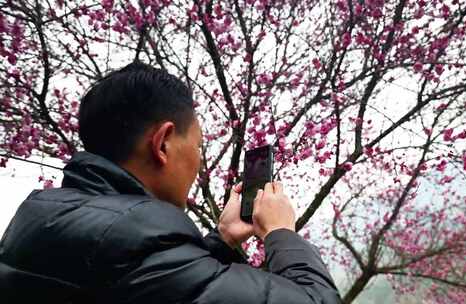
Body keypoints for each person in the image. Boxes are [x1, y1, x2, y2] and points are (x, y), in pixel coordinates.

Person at [0, 61, 342, 303]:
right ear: (162, 143)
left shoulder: (42, 219)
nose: (198, 159)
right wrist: (281, 233)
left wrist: (222, 240)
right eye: (197, 146)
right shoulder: (134, 239)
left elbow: (158, 284)